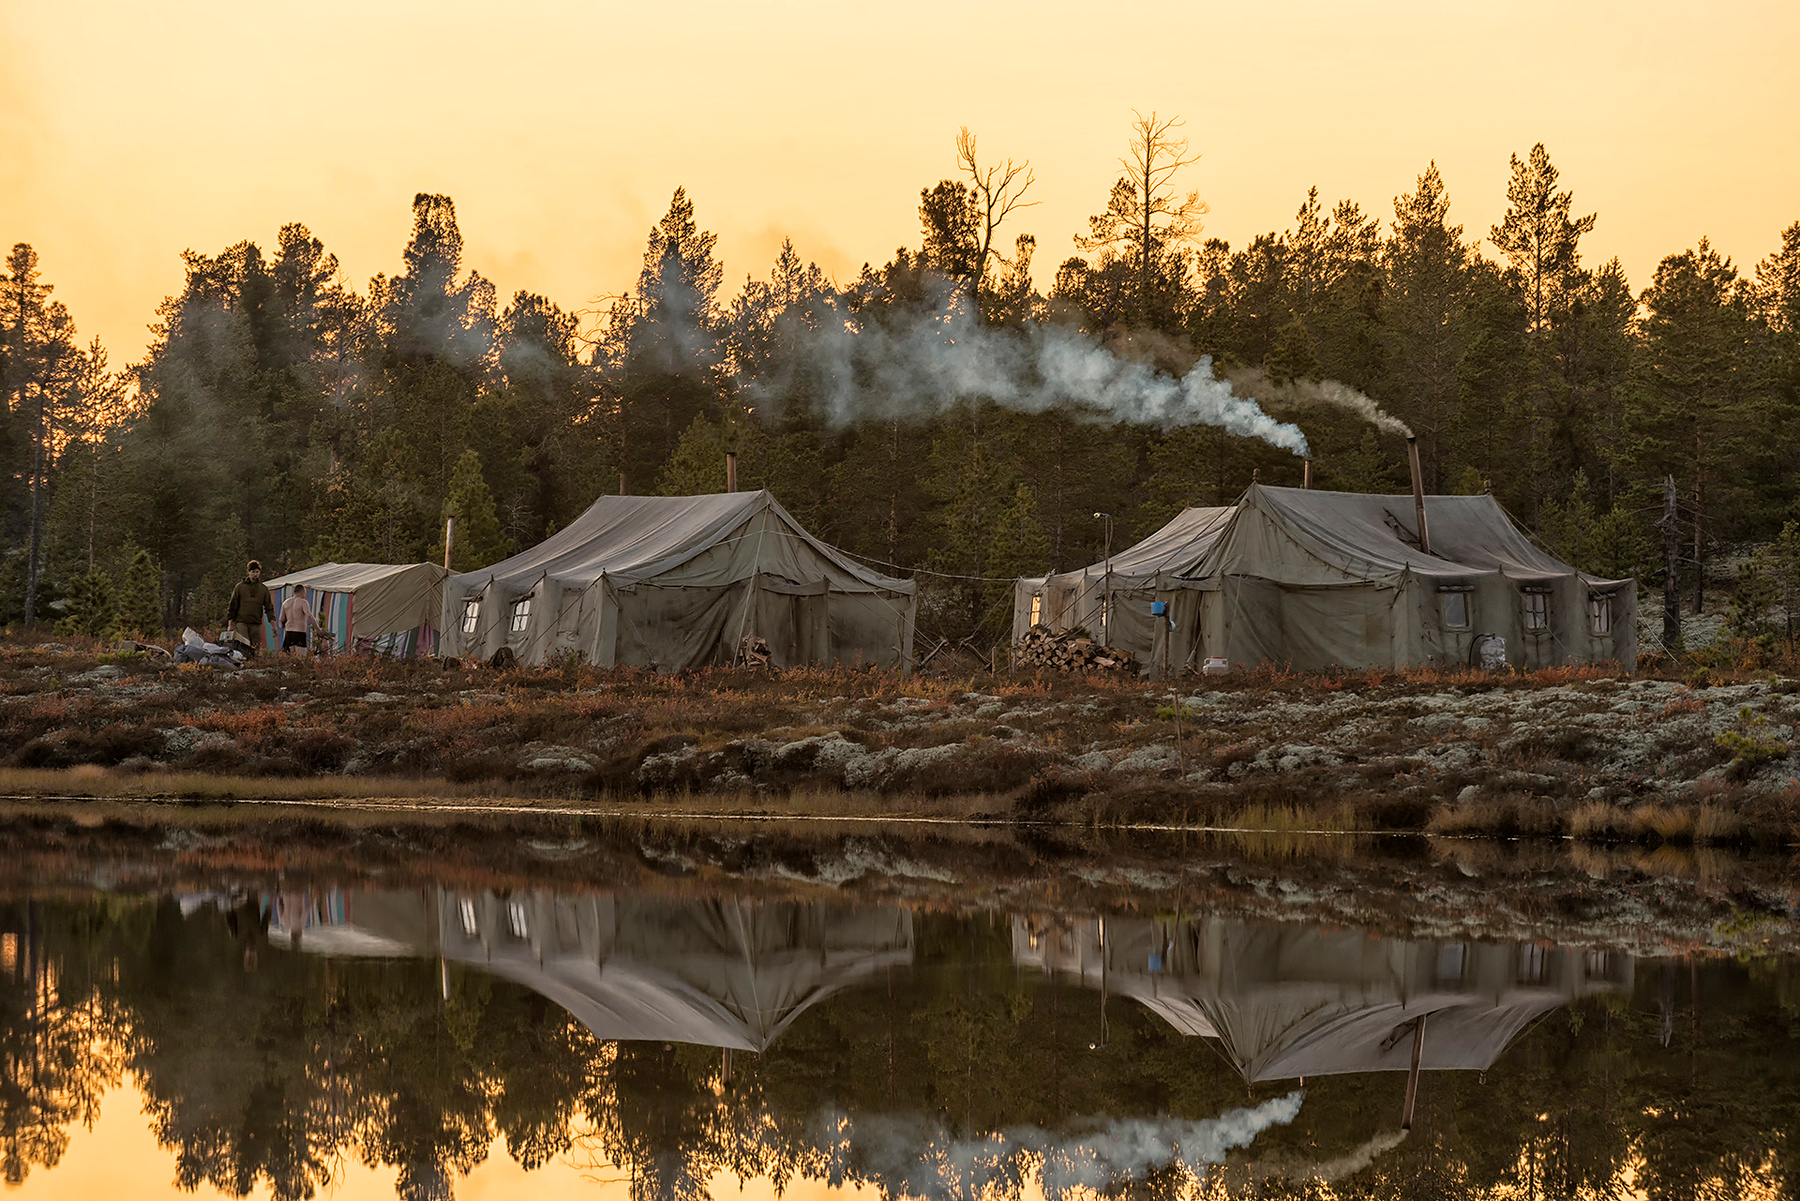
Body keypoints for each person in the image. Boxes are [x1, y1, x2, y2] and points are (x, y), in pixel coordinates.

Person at [226, 560, 275, 654]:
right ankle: (244, 664)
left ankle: (254, 664)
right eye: (253, 572)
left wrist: (273, 625)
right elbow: (232, 605)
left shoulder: (263, 589)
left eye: (257, 572)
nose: (255, 574)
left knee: (255, 648)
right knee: (244, 644)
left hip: (255, 622)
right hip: (241, 621)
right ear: (249, 572)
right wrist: (230, 623)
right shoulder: (240, 587)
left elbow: (269, 608)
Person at [279, 586, 314, 655]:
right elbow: (309, 615)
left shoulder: (285, 602)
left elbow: (281, 619)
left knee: (289, 658)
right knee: (301, 659)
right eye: (304, 594)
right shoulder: (303, 602)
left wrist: (285, 624)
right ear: (302, 593)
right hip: (299, 633)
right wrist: (317, 629)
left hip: (288, 633)